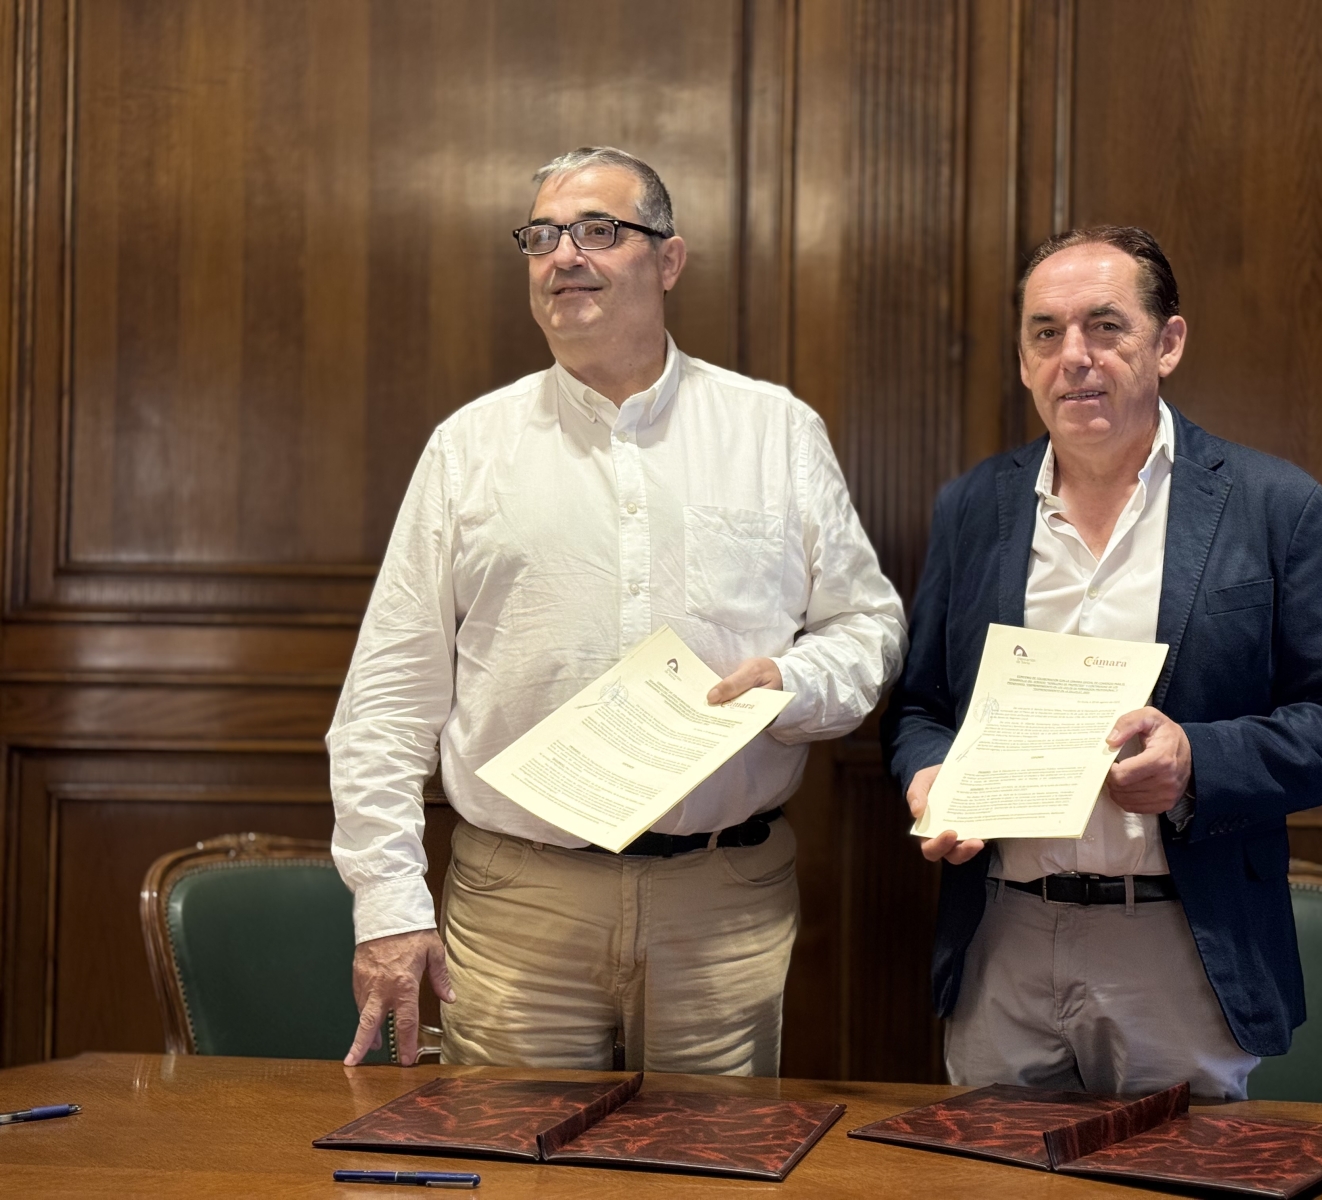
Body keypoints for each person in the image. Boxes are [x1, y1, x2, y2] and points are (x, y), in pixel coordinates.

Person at [330, 146, 905, 1074]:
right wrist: (390, 908)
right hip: (520, 907)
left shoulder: (774, 432)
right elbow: (386, 702)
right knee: (507, 1154)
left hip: (722, 905)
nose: (565, 256)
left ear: (668, 261)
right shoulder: (468, 449)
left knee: (709, 1157)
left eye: (599, 231)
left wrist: (794, 684)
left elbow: (867, 626)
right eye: (543, 237)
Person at [882, 226, 1322, 1099]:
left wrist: (1197, 761)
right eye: (1046, 333)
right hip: (1003, 938)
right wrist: (931, 776)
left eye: (1105, 326)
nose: (1074, 356)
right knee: (991, 1168)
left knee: (1177, 1168)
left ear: (1168, 343)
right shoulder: (973, 507)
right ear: (1024, 359)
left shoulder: (1273, 506)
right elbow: (921, 708)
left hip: (1179, 941)